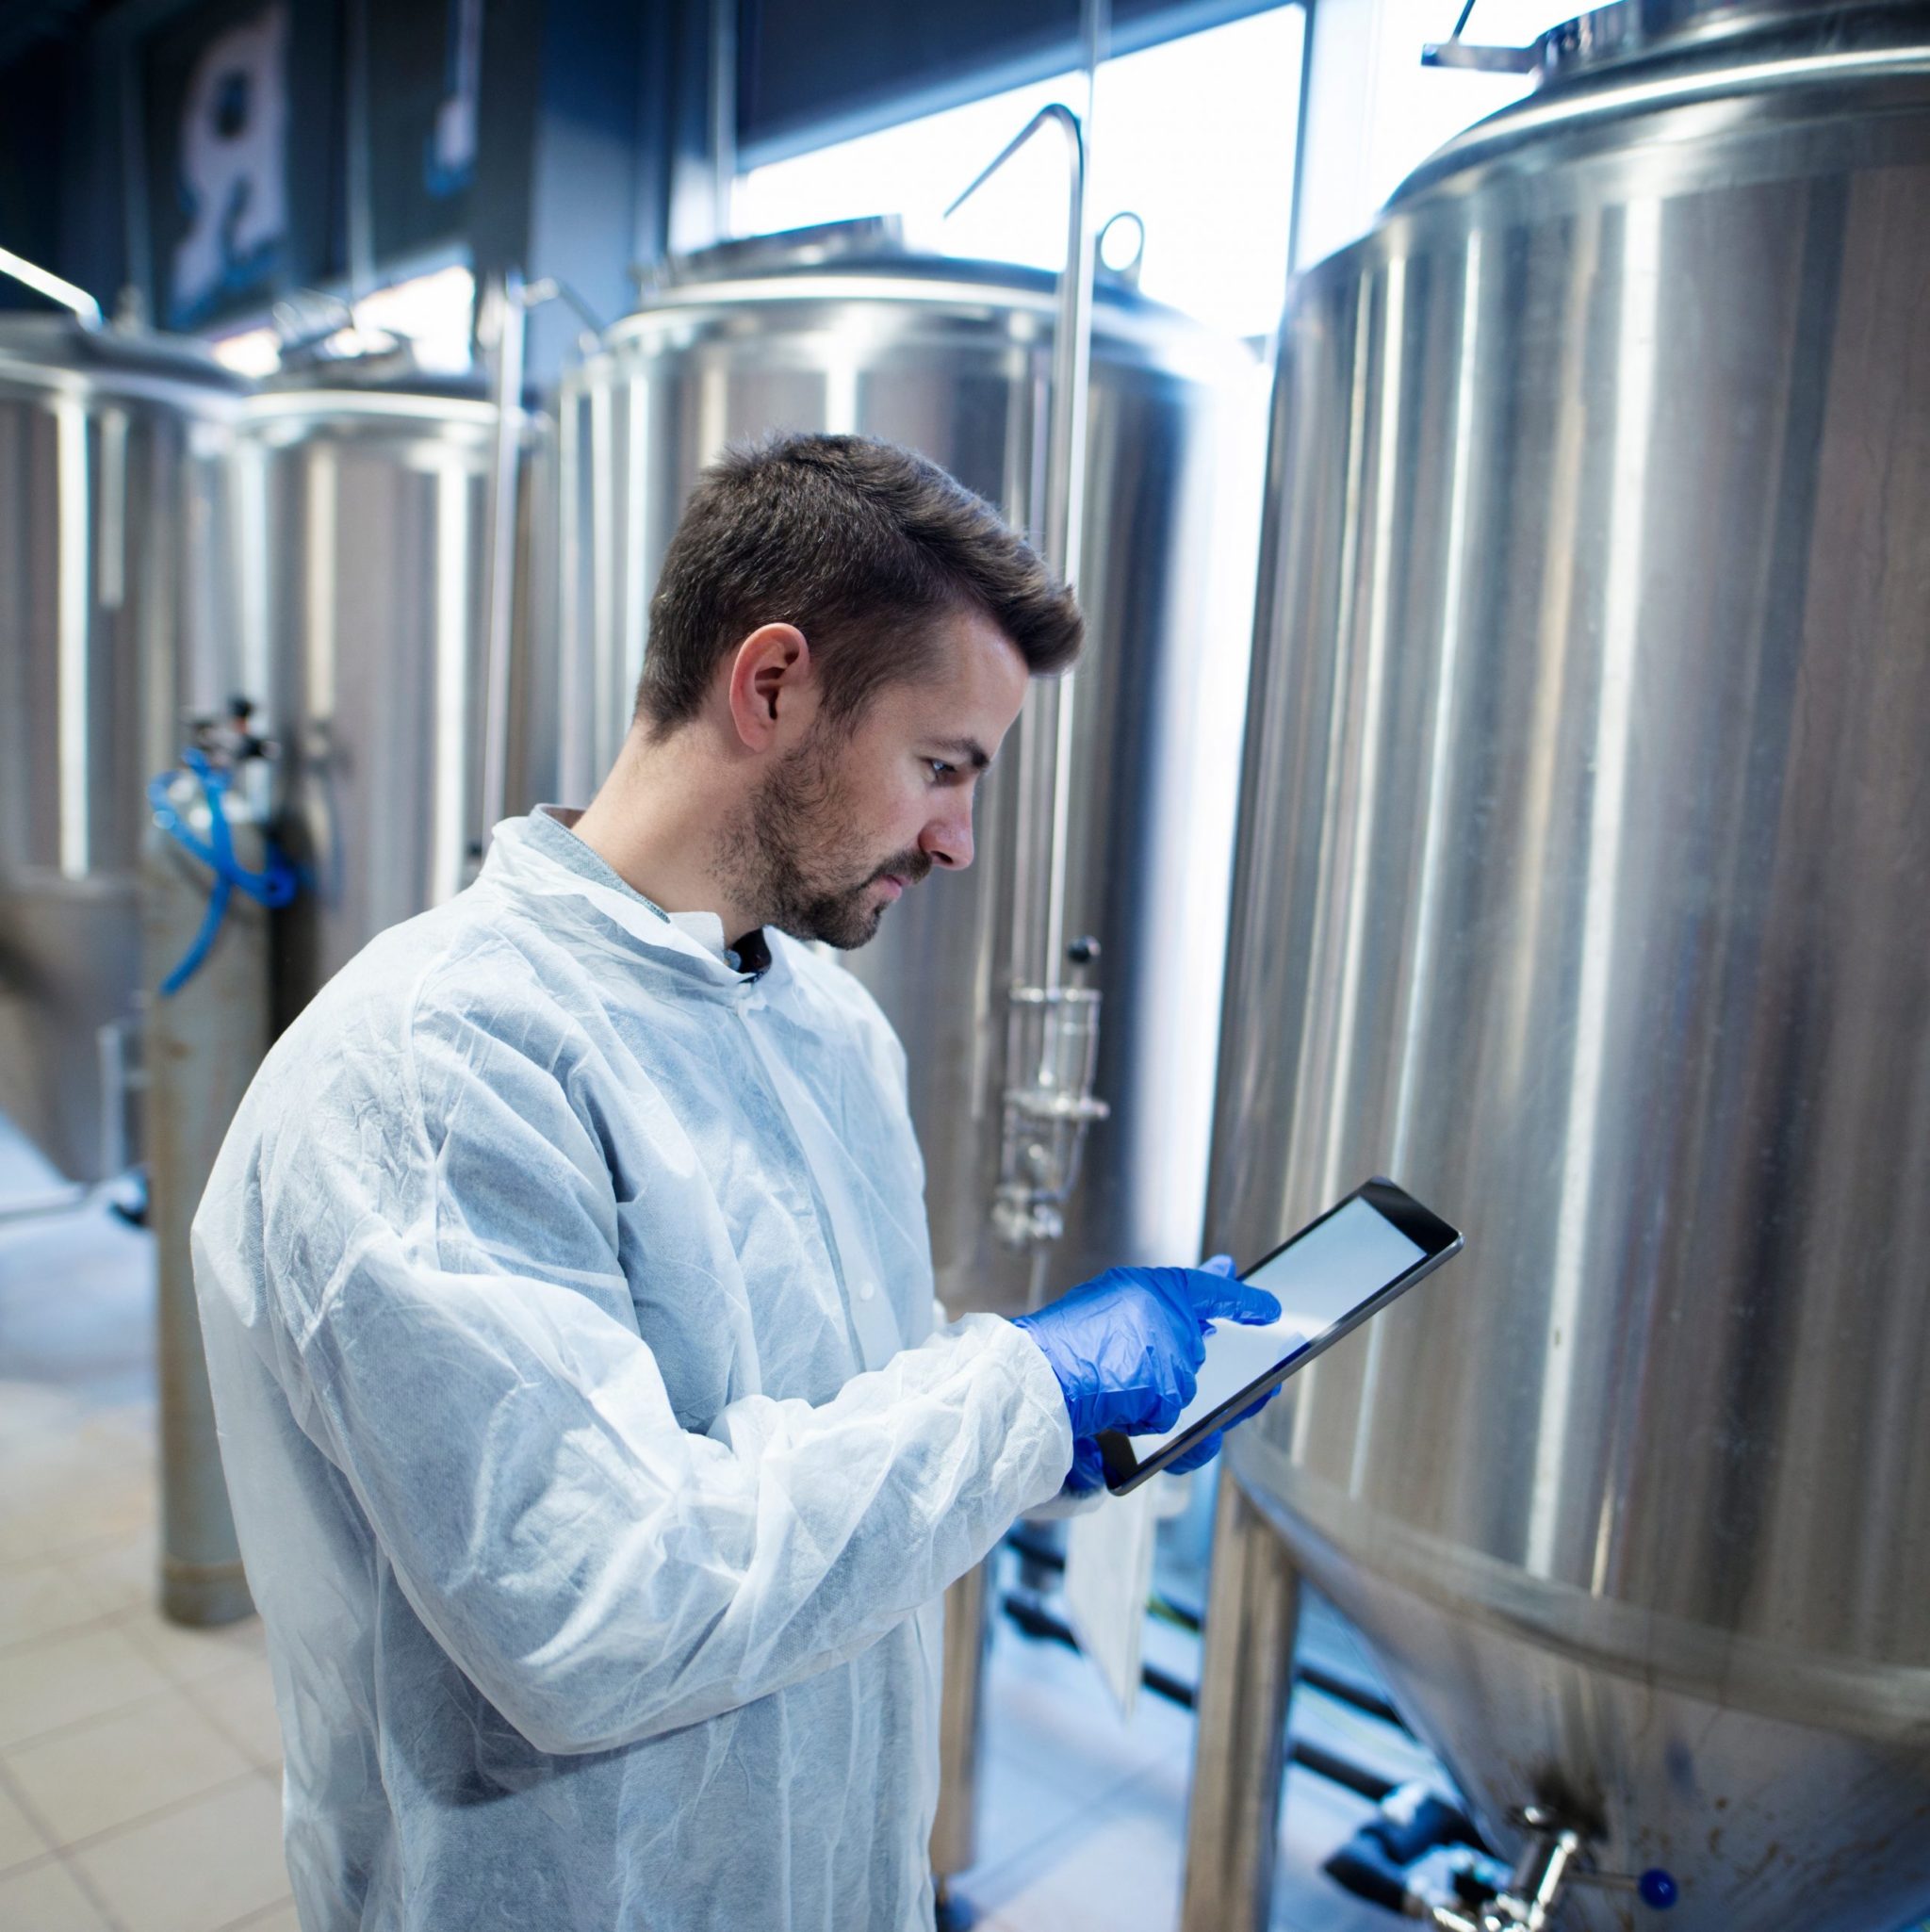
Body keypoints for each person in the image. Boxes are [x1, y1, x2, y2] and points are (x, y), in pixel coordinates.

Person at [193, 433, 1280, 1932]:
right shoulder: (431, 1075)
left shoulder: (820, 1024)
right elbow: (600, 1606)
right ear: (771, 685)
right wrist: (1020, 1389)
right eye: (942, 766)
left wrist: (1038, 1446)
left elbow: (831, 1453)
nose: (961, 838)